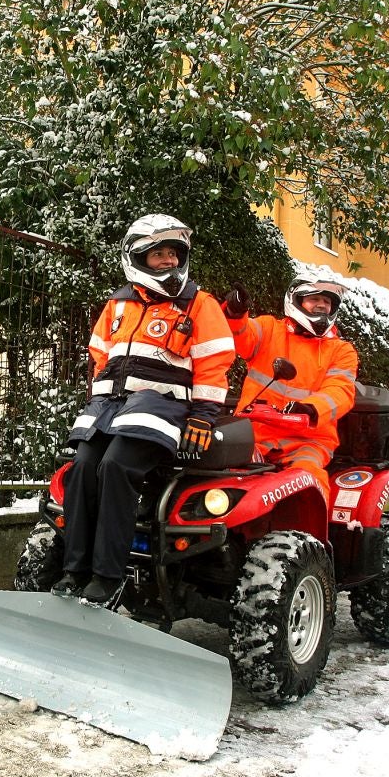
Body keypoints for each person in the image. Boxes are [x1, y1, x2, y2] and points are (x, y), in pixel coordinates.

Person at [53, 214, 235, 605]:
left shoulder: (199, 304)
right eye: (159, 254)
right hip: (111, 408)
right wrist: (100, 398)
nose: (169, 261)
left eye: (174, 253)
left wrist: (203, 416)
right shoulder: (118, 304)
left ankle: (108, 576)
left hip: (163, 410)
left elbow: (214, 364)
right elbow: (100, 356)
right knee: (82, 467)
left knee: (116, 466)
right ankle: (75, 570)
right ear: (137, 259)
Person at [221, 278, 358, 492]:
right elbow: (241, 334)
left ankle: (311, 515)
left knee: (307, 478)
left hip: (308, 441)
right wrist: (235, 312)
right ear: (296, 300)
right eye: (314, 299)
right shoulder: (268, 329)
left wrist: (311, 408)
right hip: (255, 434)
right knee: (222, 475)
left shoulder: (342, 351)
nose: (322, 305)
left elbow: (340, 390)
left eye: (327, 301)